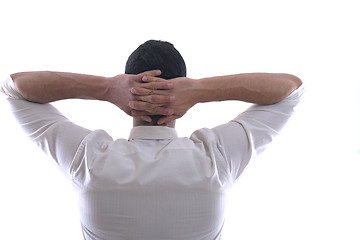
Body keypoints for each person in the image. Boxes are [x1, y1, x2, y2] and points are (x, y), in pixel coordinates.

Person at [0, 40, 303, 240]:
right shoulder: (216, 159)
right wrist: (200, 90)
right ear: (181, 89)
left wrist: (106, 88)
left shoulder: (91, 160)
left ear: (127, 91)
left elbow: (14, 88)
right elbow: (291, 89)